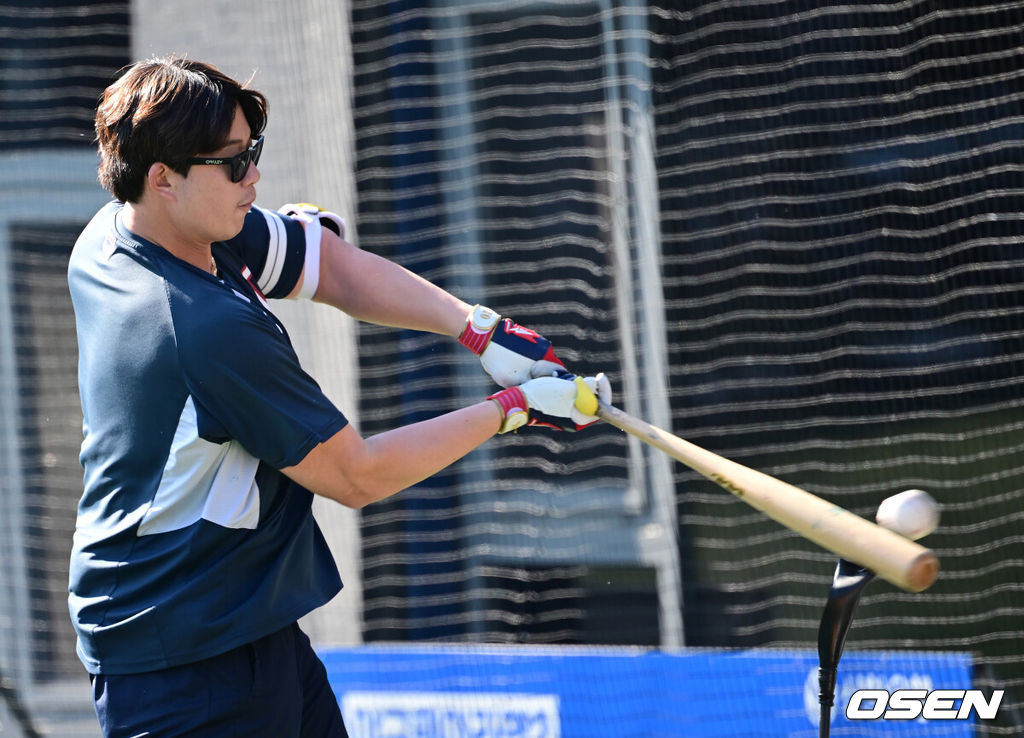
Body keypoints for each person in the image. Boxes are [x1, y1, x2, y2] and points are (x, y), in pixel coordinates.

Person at [67, 56, 610, 738]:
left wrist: (482, 332)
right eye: (234, 164)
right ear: (163, 179)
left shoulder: (118, 234)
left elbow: (330, 269)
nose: (254, 177)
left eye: (253, 153)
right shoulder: (204, 329)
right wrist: (515, 409)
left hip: (238, 621)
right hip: (179, 662)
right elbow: (357, 475)